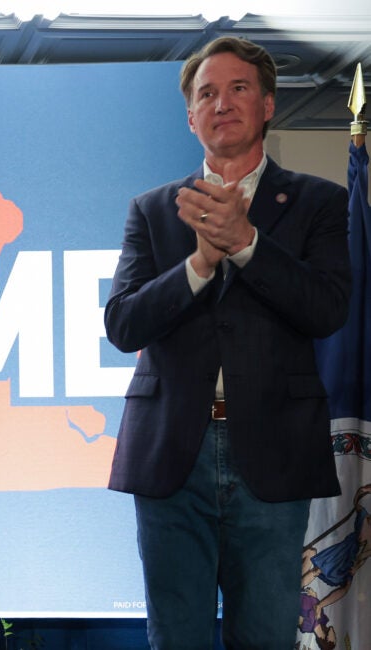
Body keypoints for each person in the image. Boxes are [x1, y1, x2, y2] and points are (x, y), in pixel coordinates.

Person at [104, 36, 351, 649]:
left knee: (265, 636)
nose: (223, 103)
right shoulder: (154, 209)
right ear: (190, 118)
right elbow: (123, 324)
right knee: (176, 635)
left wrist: (246, 244)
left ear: (267, 104)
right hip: (171, 456)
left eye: (239, 88)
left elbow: (327, 310)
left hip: (274, 449)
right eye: (206, 93)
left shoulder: (321, 202)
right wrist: (198, 265)